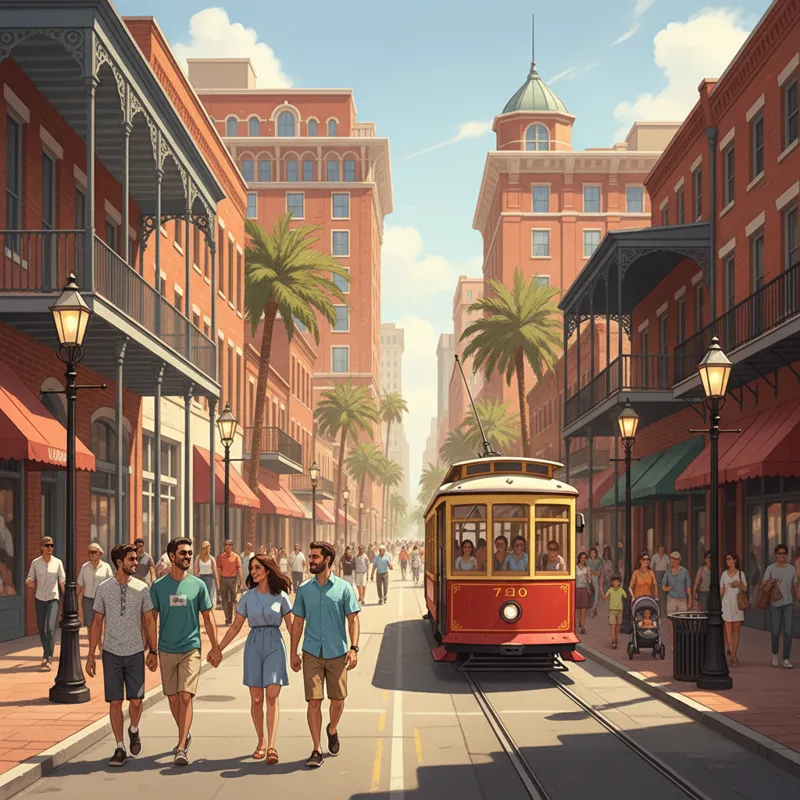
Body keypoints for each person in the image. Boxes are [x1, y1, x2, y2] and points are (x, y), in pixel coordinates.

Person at [150, 537, 222, 767]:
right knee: (172, 697)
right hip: (166, 649)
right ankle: (185, 731)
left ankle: (181, 746)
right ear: (172, 557)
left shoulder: (198, 585)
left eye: (190, 553)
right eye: (183, 553)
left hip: (191, 648)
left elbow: (208, 618)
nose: (188, 556)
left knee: (185, 696)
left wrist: (215, 647)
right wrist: (151, 650)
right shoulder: (159, 586)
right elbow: (150, 619)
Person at [216, 554, 293, 764]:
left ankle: (272, 746)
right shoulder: (247, 597)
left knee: (272, 696)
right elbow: (235, 627)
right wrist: (218, 649)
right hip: (254, 645)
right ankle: (260, 741)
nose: (254, 571)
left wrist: (296, 652)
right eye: (252, 568)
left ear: (268, 570)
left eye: (258, 567)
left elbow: (293, 627)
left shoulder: (281, 596)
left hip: (275, 644)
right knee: (257, 699)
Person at [289, 541, 360, 769]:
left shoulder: (344, 588)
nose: (311, 560)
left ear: (327, 560)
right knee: (314, 702)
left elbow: (353, 619)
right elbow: (298, 622)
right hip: (311, 653)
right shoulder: (304, 590)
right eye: (310, 556)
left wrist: (354, 648)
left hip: (337, 652)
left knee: (338, 700)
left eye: (315, 557)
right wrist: (293, 652)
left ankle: (332, 729)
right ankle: (316, 748)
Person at [86, 543, 158, 767]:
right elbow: (97, 621)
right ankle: (119, 746)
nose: (136, 563)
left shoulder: (142, 588)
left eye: (136, 559)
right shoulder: (104, 588)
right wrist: (90, 654)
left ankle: (133, 729)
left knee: (136, 701)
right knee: (115, 702)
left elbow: (148, 620)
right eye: (131, 559)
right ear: (119, 563)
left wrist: (153, 650)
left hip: (135, 651)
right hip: (111, 653)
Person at [25, 536, 65, 670]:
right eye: (47, 545)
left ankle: (48, 657)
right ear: (41, 547)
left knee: (50, 628)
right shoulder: (36, 563)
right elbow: (30, 577)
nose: (50, 548)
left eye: (52, 545)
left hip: (53, 599)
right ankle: (46, 653)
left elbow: (62, 582)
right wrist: (29, 582)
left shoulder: (58, 562)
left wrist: (69, 600)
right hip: (40, 598)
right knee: (42, 629)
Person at [761, 543, 800, 668]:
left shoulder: (791, 569)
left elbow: (795, 588)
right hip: (774, 605)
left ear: (786, 555)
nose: (782, 556)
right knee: (776, 631)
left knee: (788, 631)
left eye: (784, 553)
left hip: (788, 604)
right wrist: (770, 583)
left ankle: (786, 659)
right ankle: (774, 654)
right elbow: (763, 586)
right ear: (776, 555)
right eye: (779, 553)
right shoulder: (770, 569)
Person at [77, 543, 113, 632]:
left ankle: (100, 646)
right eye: (90, 552)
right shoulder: (84, 567)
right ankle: (91, 646)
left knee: (99, 625)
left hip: (101, 600)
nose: (92, 554)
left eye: (94, 552)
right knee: (89, 625)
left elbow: (111, 585)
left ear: (100, 553)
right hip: (87, 600)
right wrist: (73, 598)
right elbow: (80, 584)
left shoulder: (106, 567)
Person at [720, 552, 747, 667]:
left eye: (730, 559)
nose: (728, 562)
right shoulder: (724, 575)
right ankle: (729, 647)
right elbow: (721, 590)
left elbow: (745, 589)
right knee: (727, 631)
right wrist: (722, 592)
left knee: (736, 630)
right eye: (727, 560)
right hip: (726, 604)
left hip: (737, 604)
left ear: (735, 560)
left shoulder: (741, 574)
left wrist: (739, 584)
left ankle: (734, 655)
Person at [661, 551, 693, 639]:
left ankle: (681, 640)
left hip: (682, 600)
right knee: (671, 622)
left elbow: (688, 586)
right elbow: (663, 586)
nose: (672, 561)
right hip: (671, 600)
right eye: (671, 558)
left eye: (674, 559)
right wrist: (667, 589)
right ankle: (674, 642)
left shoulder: (684, 571)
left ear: (678, 560)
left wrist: (690, 599)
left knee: (682, 622)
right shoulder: (668, 572)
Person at [217, 540, 243, 626]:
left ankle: (232, 617)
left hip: (233, 579)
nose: (228, 546)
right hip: (224, 579)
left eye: (229, 545)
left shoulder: (236, 556)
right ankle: (227, 618)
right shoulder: (221, 557)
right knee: (224, 599)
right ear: (224, 547)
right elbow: (219, 570)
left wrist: (241, 581)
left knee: (233, 598)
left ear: (232, 546)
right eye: (226, 545)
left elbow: (239, 569)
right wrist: (218, 581)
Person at [193, 540, 219, 607]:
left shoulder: (211, 559)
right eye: (204, 548)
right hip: (200, 578)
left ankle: (208, 610)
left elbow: (215, 571)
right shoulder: (198, 558)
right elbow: (196, 570)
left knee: (209, 595)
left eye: (207, 547)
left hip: (209, 578)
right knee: (201, 595)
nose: (206, 549)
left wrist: (217, 583)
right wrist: (195, 580)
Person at [605, 575, 626, 649]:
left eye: (617, 582)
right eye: (614, 582)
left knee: (618, 626)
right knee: (613, 625)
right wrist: (602, 591)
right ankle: (613, 640)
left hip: (619, 610)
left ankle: (615, 637)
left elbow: (625, 596)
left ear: (620, 583)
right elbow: (605, 597)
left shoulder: (621, 590)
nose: (616, 583)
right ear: (612, 582)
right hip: (612, 610)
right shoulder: (610, 589)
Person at [575, 552, 591, 634]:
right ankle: (578, 624)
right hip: (577, 589)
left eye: (584, 558)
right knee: (577, 608)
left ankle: (582, 625)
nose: (583, 559)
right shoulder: (575, 568)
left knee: (584, 608)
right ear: (579, 558)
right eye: (581, 557)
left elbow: (589, 580)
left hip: (584, 589)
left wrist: (587, 578)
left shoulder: (587, 568)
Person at [651, 544, 669, 609]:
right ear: (658, 549)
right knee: (658, 588)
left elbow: (669, 565)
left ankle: (664, 603)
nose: (661, 550)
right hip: (657, 573)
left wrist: (668, 572)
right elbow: (651, 566)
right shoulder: (655, 557)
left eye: (662, 549)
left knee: (664, 588)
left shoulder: (666, 557)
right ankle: (658, 603)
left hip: (665, 572)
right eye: (660, 549)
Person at [587, 547, 603, 617]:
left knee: (596, 593)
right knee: (590, 594)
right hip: (588, 578)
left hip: (596, 579)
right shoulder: (587, 560)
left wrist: (594, 573)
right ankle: (592, 608)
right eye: (591, 553)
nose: (592, 554)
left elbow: (599, 571)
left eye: (594, 553)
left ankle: (594, 609)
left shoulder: (598, 561)